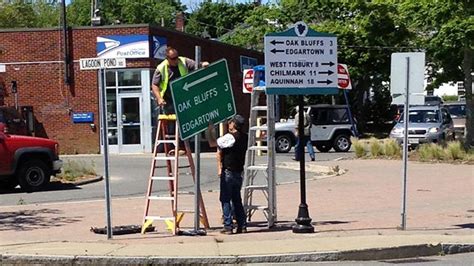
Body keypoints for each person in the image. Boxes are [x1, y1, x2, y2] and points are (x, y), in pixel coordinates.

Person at [207, 115, 248, 234]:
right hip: (239, 172)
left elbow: (212, 143)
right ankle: (242, 225)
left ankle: (228, 225)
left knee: (225, 199)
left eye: (231, 122)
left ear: (234, 125)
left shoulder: (230, 137)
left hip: (229, 171)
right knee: (236, 199)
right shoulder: (244, 137)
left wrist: (209, 130)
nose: (229, 123)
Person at [151, 46, 209, 114]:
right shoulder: (161, 68)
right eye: (173, 58)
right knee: (171, 120)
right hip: (169, 100)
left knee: (186, 117)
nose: (176, 60)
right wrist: (159, 98)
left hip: (183, 97)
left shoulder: (183, 61)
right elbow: (154, 84)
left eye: (177, 57)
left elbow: (195, 65)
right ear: (167, 58)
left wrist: (202, 64)